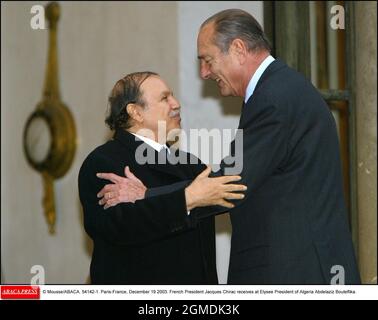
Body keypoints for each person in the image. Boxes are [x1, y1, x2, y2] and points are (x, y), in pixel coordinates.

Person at [97, 9, 361, 284]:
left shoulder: (273, 97)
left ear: (238, 48)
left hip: (296, 272)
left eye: (208, 60)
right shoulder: (280, 89)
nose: (204, 72)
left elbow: (232, 182)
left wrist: (146, 195)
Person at [78, 71, 246, 284]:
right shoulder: (104, 162)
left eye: (173, 96)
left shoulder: (191, 164)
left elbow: (232, 192)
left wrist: (150, 195)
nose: (176, 104)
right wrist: (185, 199)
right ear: (136, 112)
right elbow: (120, 227)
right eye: (165, 98)